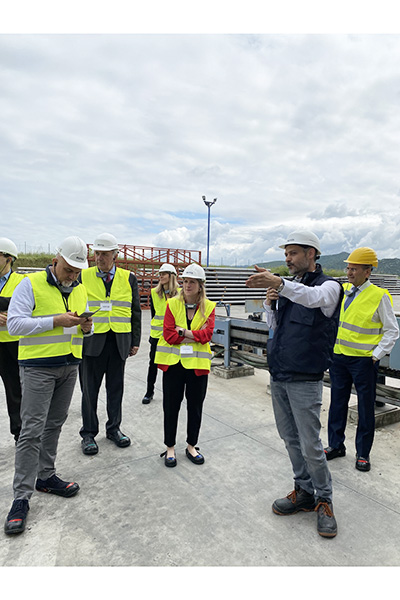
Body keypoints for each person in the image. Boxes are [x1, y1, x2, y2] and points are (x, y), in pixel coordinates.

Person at [246, 231, 342, 538]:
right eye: (286, 253)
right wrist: (269, 304)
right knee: (289, 437)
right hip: (280, 375)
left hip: (305, 378)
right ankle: (303, 491)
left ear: (311, 253)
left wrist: (280, 284)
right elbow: (274, 328)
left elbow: (313, 299)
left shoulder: (329, 287)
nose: (287, 258)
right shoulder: (288, 288)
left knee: (310, 444)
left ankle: (324, 499)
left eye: (294, 253)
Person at [4, 236, 91, 535]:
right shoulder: (30, 285)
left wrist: (86, 328)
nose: (72, 276)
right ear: (55, 261)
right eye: (68, 270)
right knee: (31, 430)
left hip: (69, 366)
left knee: (54, 424)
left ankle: (46, 476)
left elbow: (79, 328)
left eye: (77, 272)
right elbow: (15, 325)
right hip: (38, 368)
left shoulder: (80, 288)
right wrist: (55, 320)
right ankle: (21, 497)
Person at [325, 247, 399, 472]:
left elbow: (392, 330)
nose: (349, 272)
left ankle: (363, 454)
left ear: (367, 272)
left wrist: (376, 356)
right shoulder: (344, 291)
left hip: (363, 362)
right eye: (348, 268)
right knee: (337, 404)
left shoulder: (379, 296)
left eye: (354, 269)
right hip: (339, 358)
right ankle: (336, 445)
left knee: (366, 408)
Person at [79, 232, 141, 455]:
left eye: (104, 254)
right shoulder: (83, 276)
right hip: (91, 342)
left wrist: (135, 341)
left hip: (118, 342)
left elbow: (135, 311)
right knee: (89, 391)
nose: (99, 258)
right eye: (97, 253)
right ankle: (88, 433)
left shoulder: (129, 278)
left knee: (115, 389)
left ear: (115, 254)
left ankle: (114, 429)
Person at [155, 263, 215, 467]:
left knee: (195, 406)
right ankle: (170, 447)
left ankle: (191, 446)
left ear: (201, 285)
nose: (188, 285)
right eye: (186, 281)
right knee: (171, 406)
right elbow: (168, 335)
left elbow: (207, 335)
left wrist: (183, 331)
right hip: (174, 365)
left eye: (192, 282)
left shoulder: (209, 307)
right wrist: (194, 335)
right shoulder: (172, 304)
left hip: (197, 366)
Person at [142, 263, 179, 404]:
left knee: (171, 366)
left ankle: (171, 393)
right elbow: (154, 314)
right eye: (160, 274)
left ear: (171, 276)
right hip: (157, 336)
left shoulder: (180, 293)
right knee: (153, 364)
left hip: (172, 336)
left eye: (164, 274)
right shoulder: (154, 293)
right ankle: (149, 392)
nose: (161, 276)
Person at [0, 237, 25, 443]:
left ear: (9, 259)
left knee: (15, 389)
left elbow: (24, 306)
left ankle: (19, 431)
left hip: (12, 343)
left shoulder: (21, 282)